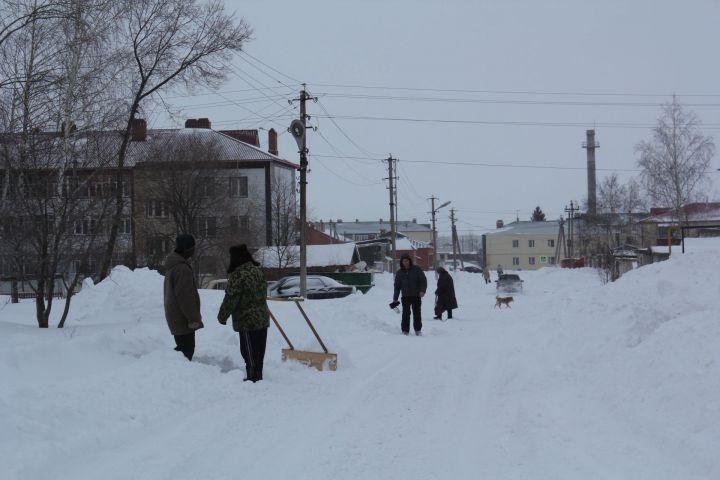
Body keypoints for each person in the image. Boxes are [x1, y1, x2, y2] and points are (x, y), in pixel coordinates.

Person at [217, 244, 270, 382]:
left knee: (249, 352)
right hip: (262, 319)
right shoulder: (258, 271)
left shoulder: (238, 275)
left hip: (247, 321)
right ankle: (258, 375)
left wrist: (222, 316)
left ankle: (253, 378)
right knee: (259, 351)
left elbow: (231, 298)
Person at [164, 233, 203, 361]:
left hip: (175, 317)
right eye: (193, 248)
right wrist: (193, 319)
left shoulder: (173, 265)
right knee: (186, 353)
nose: (194, 250)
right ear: (187, 249)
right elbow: (185, 297)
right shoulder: (181, 268)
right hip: (183, 320)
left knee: (181, 352)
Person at [392, 253, 427, 335]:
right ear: (401, 262)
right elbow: (397, 286)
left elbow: (423, 280)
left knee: (417, 313)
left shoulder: (417, 269)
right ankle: (405, 330)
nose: (405, 262)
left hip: (416, 295)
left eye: (407, 261)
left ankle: (418, 330)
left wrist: (422, 290)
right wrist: (395, 298)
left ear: (409, 261)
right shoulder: (399, 273)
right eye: (404, 261)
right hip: (405, 296)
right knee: (406, 314)